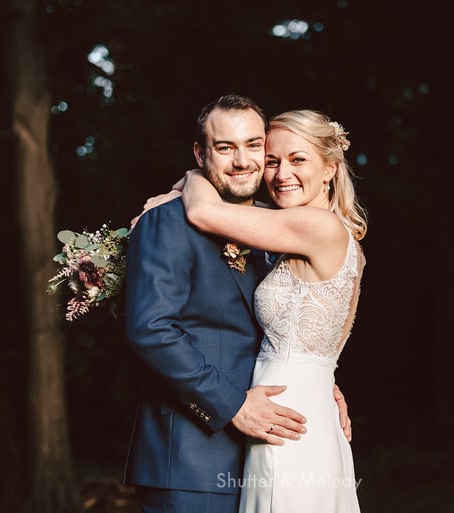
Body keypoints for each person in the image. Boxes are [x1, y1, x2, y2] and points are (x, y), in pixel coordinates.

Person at [123, 94, 351, 513]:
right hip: (191, 461)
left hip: (272, 451)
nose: (242, 160)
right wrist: (235, 405)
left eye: (254, 145)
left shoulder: (278, 228)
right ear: (200, 153)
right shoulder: (167, 220)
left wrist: (320, 384)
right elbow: (151, 329)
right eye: (225, 147)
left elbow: (285, 327)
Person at [175, 108, 367, 512]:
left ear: (330, 168)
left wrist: (194, 176)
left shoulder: (318, 228)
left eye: (298, 160)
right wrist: (324, 385)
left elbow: (203, 212)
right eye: (273, 161)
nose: (282, 175)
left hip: (285, 417)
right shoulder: (315, 231)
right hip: (301, 405)